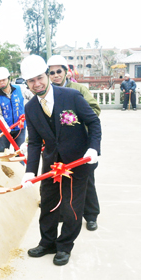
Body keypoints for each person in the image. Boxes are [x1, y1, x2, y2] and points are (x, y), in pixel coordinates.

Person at [20, 55, 101, 266]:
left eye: (39, 77)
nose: (36, 84)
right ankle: (47, 242)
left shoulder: (71, 96)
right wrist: (30, 170)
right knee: (48, 204)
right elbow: (35, 142)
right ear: (26, 83)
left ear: (47, 75)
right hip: (51, 165)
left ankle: (64, 246)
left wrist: (93, 148)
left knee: (71, 207)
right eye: (31, 81)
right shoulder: (30, 108)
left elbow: (93, 123)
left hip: (77, 163)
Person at [47, 55, 101, 231]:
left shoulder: (78, 89)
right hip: (59, 147)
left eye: (59, 71)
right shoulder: (47, 93)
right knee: (62, 179)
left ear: (66, 72)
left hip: (79, 144)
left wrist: (72, 118)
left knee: (86, 180)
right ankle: (65, 212)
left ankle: (91, 215)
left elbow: (94, 110)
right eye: (52, 72)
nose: (55, 75)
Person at [0, 67, 25, 152]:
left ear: (9, 79)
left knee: (19, 152)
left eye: (4, 80)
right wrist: (6, 128)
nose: (2, 82)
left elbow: (32, 99)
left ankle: (19, 165)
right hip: (5, 130)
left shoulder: (20, 89)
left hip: (20, 128)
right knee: (3, 152)